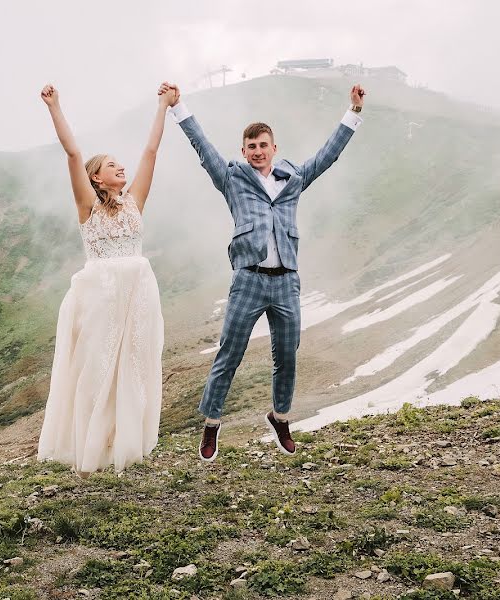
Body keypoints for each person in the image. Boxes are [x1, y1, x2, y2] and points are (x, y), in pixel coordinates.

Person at [162, 81, 366, 461]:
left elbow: (327, 156)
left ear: (274, 149)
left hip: (286, 280)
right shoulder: (232, 178)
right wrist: (178, 107)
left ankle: (280, 417)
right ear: (243, 151)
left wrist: (352, 113)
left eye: (263, 145)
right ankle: (211, 424)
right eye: (251, 147)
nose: (257, 152)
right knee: (230, 352)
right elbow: (203, 148)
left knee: (287, 352)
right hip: (248, 278)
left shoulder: (293, 179)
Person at [36, 83, 174, 474]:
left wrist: (162, 105)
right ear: (96, 178)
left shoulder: (135, 201)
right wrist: (55, 107)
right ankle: (90, 448)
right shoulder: (87, 207)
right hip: (101, 295)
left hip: (138, 294)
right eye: (111, 165)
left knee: (134, 365)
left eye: (119, 164)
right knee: (96, 367)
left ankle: (122, 446)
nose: (121, 167)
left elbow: (150, 151)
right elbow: (73, 152)